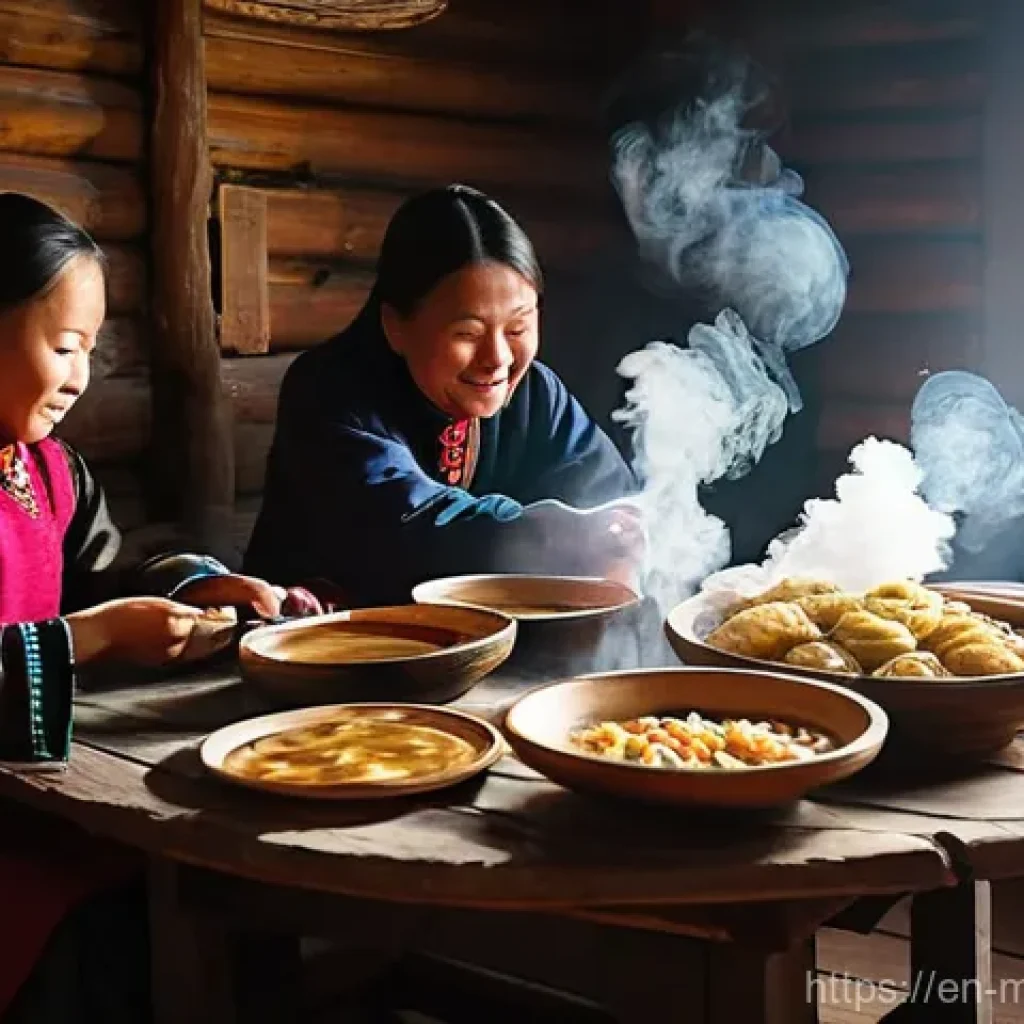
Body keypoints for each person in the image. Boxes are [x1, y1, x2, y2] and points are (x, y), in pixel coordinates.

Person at [0, 192, 290, 1022]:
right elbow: (87, 623)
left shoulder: (47, 471)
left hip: (45, 799)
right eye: (63, 346)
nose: (81, 378)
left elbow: (104, 575)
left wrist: (197, 590)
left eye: (92, 349)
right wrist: (83, 642)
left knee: (213, 878)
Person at [245, 185, 645, 606]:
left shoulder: (536, 395)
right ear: (395, 326)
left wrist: (622, 539)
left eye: (518, 328)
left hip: (492, 653)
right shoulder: (328, 392)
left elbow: (607, 495)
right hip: (324, 651)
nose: (499, 359)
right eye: (467, 333)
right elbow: (409, 532)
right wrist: (554, 533)